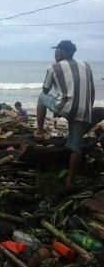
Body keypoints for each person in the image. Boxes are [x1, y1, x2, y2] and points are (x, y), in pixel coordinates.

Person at [34, 40, 95, 188]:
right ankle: (70, 179)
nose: (55, 54)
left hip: (64, 107)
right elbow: (92, 91)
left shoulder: (53, 67)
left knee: (41, 98)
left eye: (56, 52)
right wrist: (88, 109)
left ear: (60, 53)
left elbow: (45, 90)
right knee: (76, 147)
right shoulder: (86, 65)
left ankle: (40, 131)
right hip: (84, 110)